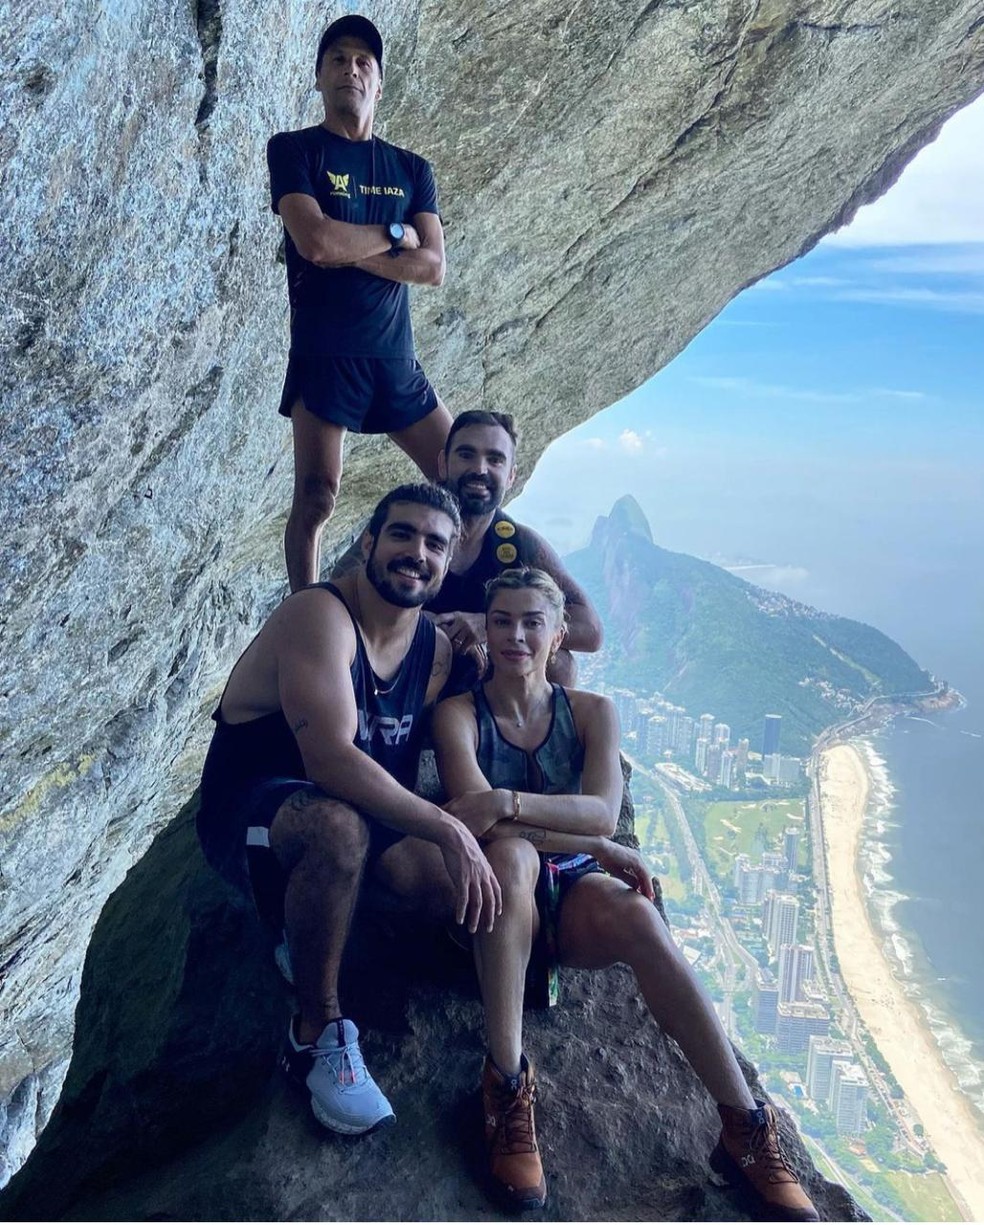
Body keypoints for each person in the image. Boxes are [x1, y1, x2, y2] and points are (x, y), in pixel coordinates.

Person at [431, 568, 820, 1221]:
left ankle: (746, 1128)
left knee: (639, 915)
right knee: (511, 854)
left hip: (571, 896)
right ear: (486, 627)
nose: (516, 635)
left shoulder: (591, 712)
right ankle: (505, 1086)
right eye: (502, 620)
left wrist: (513, 801)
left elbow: (601, 812)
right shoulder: (459, 715)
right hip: (490, 904)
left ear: (559, 635)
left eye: (533, 621)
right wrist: (578, 837)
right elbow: (477, 822)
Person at [196, 483, 501, 1136]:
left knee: (450, 892)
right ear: (368, 542)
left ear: (448, 565)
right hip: (254, 817)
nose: (417, 552)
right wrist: (444, 824)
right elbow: (330, 759)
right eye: (402, 534)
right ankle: (316, 1029)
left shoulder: (437, 652)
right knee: (338, 832)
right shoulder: (319, 615)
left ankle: (312, 927)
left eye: (435, 544)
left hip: (361, 817)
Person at [267, 14, 451, 591]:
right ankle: (307, 612)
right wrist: (395, 234)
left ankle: (468, 601)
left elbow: (433, 267)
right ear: (319, 78)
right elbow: (314, 240)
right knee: (317, 496)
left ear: (378, 83)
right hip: (325, 355)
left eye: (363, 62)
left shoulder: (411, 169)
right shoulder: (294, 150)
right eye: (338, 60)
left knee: (459, 478)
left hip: (394, 359)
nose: (351, 69)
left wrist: (343, 245)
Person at [429, 410, 602, 687]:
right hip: (410, 670)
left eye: (495, 459)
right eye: (466, 455)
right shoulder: (409, 523)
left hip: (483, 687)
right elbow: (346, 593)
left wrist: (489, 625)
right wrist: (422, 625)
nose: (480, 469)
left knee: (560, 664)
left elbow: (590, 631)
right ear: (443, 464)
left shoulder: (520, 545)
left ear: (511, 476)